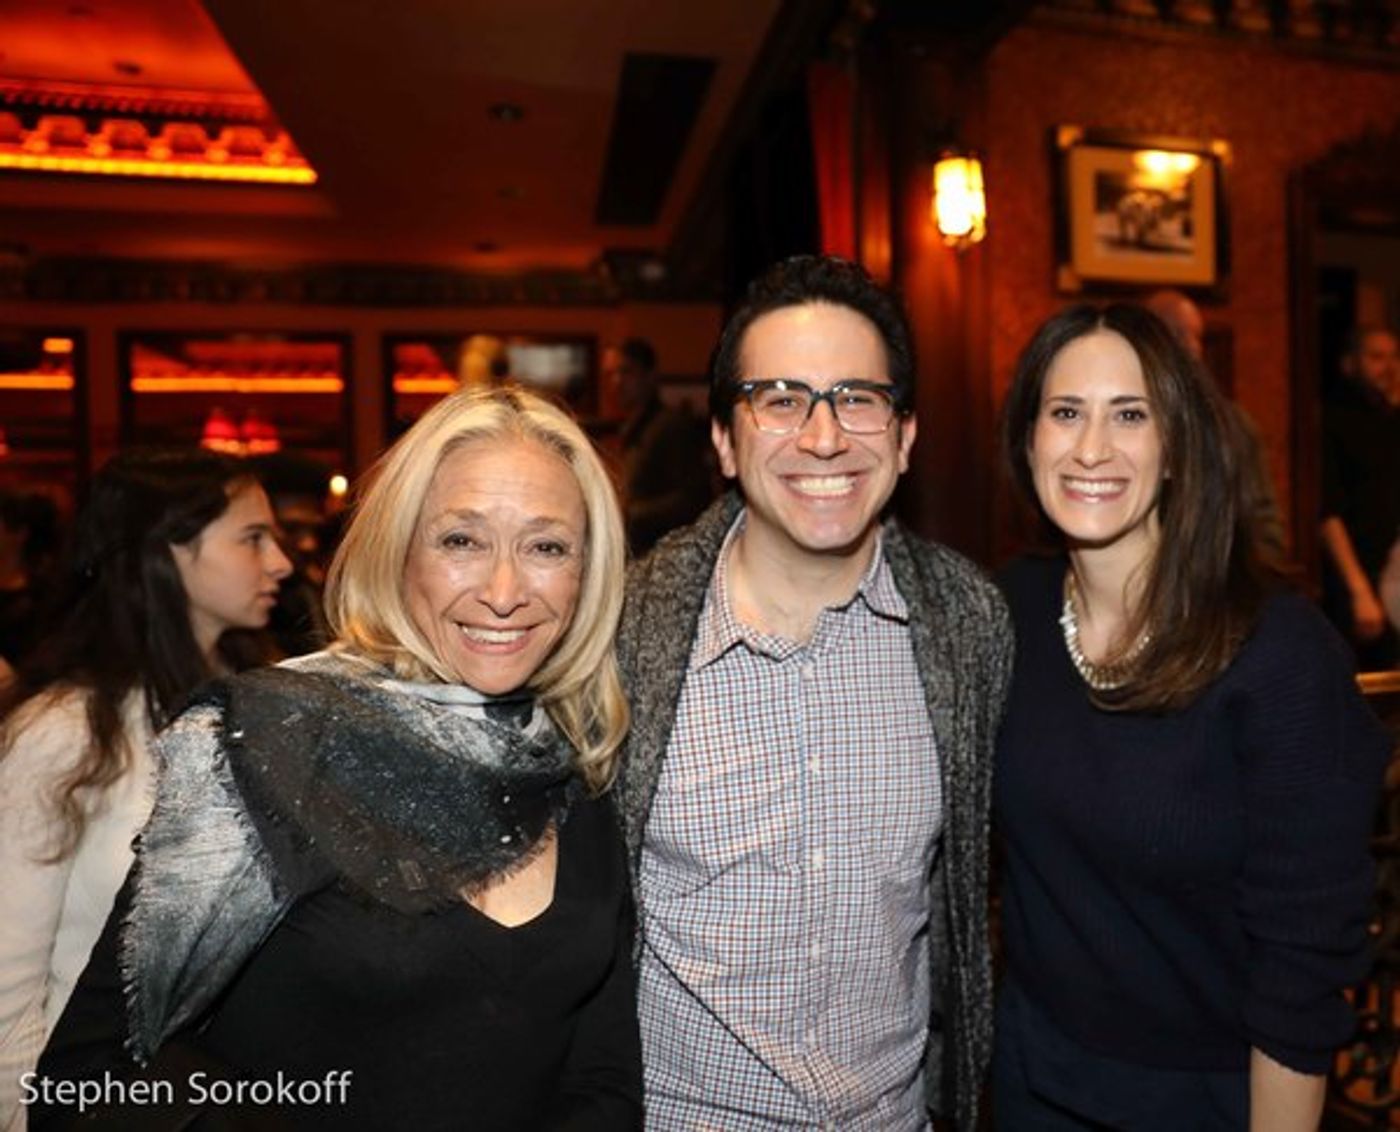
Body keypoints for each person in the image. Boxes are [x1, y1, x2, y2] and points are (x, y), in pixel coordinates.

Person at [31, 387, 641, 1131]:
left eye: (547, 547)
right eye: (462, 541)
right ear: (398, 550)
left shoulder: (578, 762)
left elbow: (602, 1069)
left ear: (588, 573)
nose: (505, 591)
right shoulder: (272, 743)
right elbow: (81, 1082)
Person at [616, 255, 1013, 1130]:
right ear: (725, 440)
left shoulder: (967, 626)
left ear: (905, 437)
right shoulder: (624, 634)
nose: (824, 436)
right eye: (781, 399)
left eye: (858, 398)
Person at [995, 302, 1389, 1130]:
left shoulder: (1279, 653)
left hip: (1210, 1097)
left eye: (1130, 415)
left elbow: (1302, 965)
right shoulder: (1007, 612)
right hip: (1032, 1080)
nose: (1091, 448)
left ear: (1176, 446)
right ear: (1028, 440)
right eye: (1065, 412)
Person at [0, 449, 291, 1131]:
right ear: (168, 551)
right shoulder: (65, 735)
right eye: (252, 538)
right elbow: (8, 987)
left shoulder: (268, 707)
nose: (280, 562)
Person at [1143, 289, 1287, 567]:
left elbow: (1264, 521)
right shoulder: (1119, 421)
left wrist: (1245, 573)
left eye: (1196, 337)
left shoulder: (1232, 423)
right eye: (1177, 334)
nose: (1192, 348)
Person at [1321, 324, 1400, 669]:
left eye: (1394, 357)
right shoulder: (1331, 421)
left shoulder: (1392, 420)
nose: (1389, 367)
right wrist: (1359, 589)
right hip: (1355, 575)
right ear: (1350, 363)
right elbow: (1328, 512)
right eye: (1376, 357)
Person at [606, 336, 713, 556]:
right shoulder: (632, 427)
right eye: (611, 374)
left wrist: (630, 513)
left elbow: (694, 498)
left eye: (626, 372)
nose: (617, 381)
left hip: (664, 556)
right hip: (640, 554)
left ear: (650, 376)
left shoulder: (671, 427)